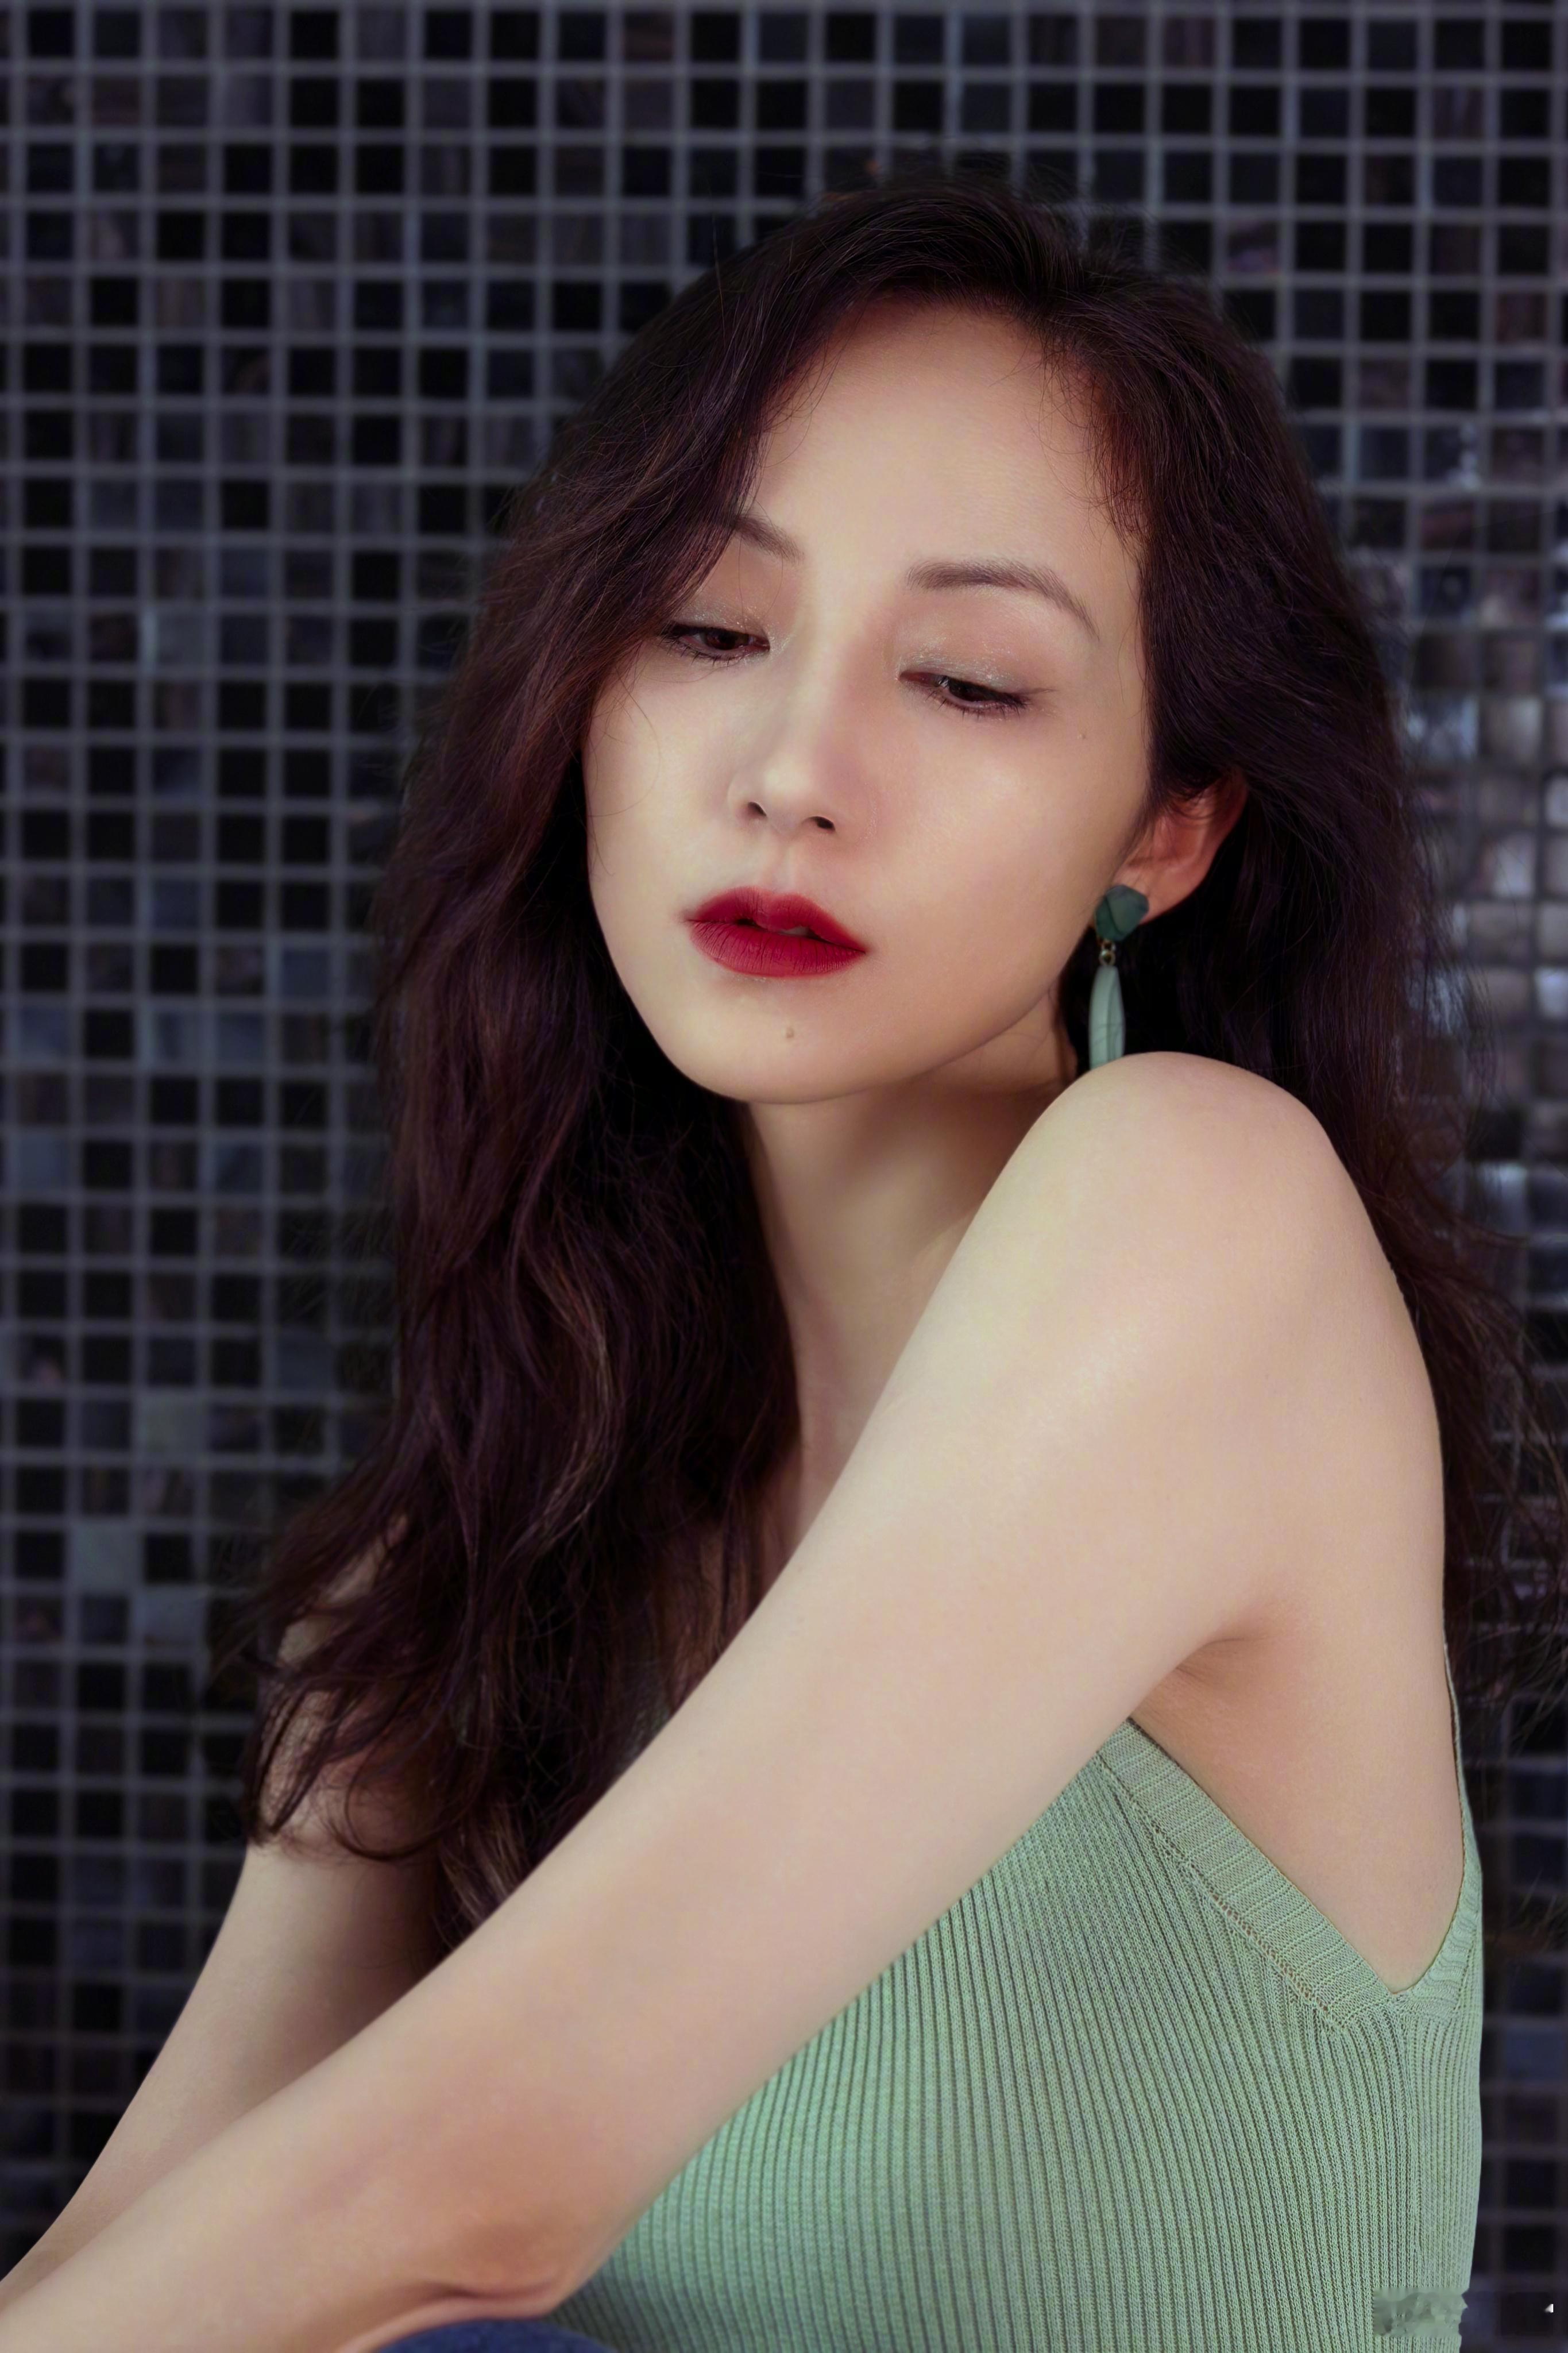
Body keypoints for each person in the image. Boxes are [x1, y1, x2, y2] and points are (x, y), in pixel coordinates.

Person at [3, 167, 1559, 2353]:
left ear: (1164, 826)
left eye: (968, 680)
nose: (794, 774)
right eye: (710, 633)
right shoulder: (496, 1539)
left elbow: (467, 2192)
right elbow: (145, 2255)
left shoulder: (1200, 1216)